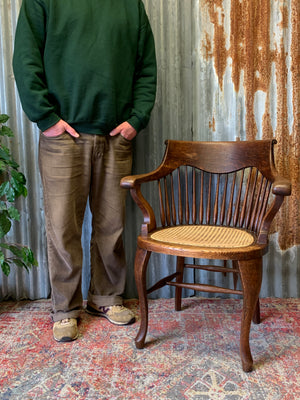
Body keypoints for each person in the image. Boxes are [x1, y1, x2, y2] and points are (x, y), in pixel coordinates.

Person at [13, 0, 157, 342]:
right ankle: (65, 308)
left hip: (115, 135)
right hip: (64, 137)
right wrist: (46, 119)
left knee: (112, 225)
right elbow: (25, 58)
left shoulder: (130, 5)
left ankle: (106, 297)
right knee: (63, 225)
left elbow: (146, 66)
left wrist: (136, 120)